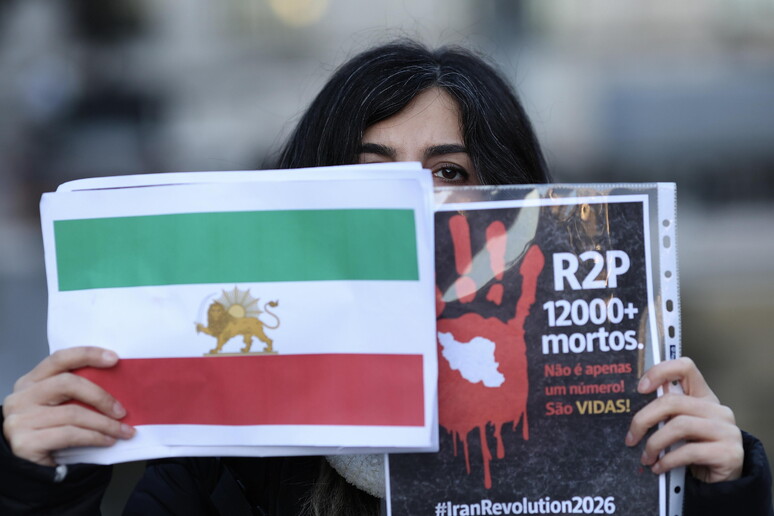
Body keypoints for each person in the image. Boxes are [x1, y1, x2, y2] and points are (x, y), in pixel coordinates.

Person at [1, 40, 771, 516]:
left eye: (448, 172)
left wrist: (722, 492)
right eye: (371, 172)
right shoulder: (228, 452)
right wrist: (32, 485)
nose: (411, 200)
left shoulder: (604, 414)